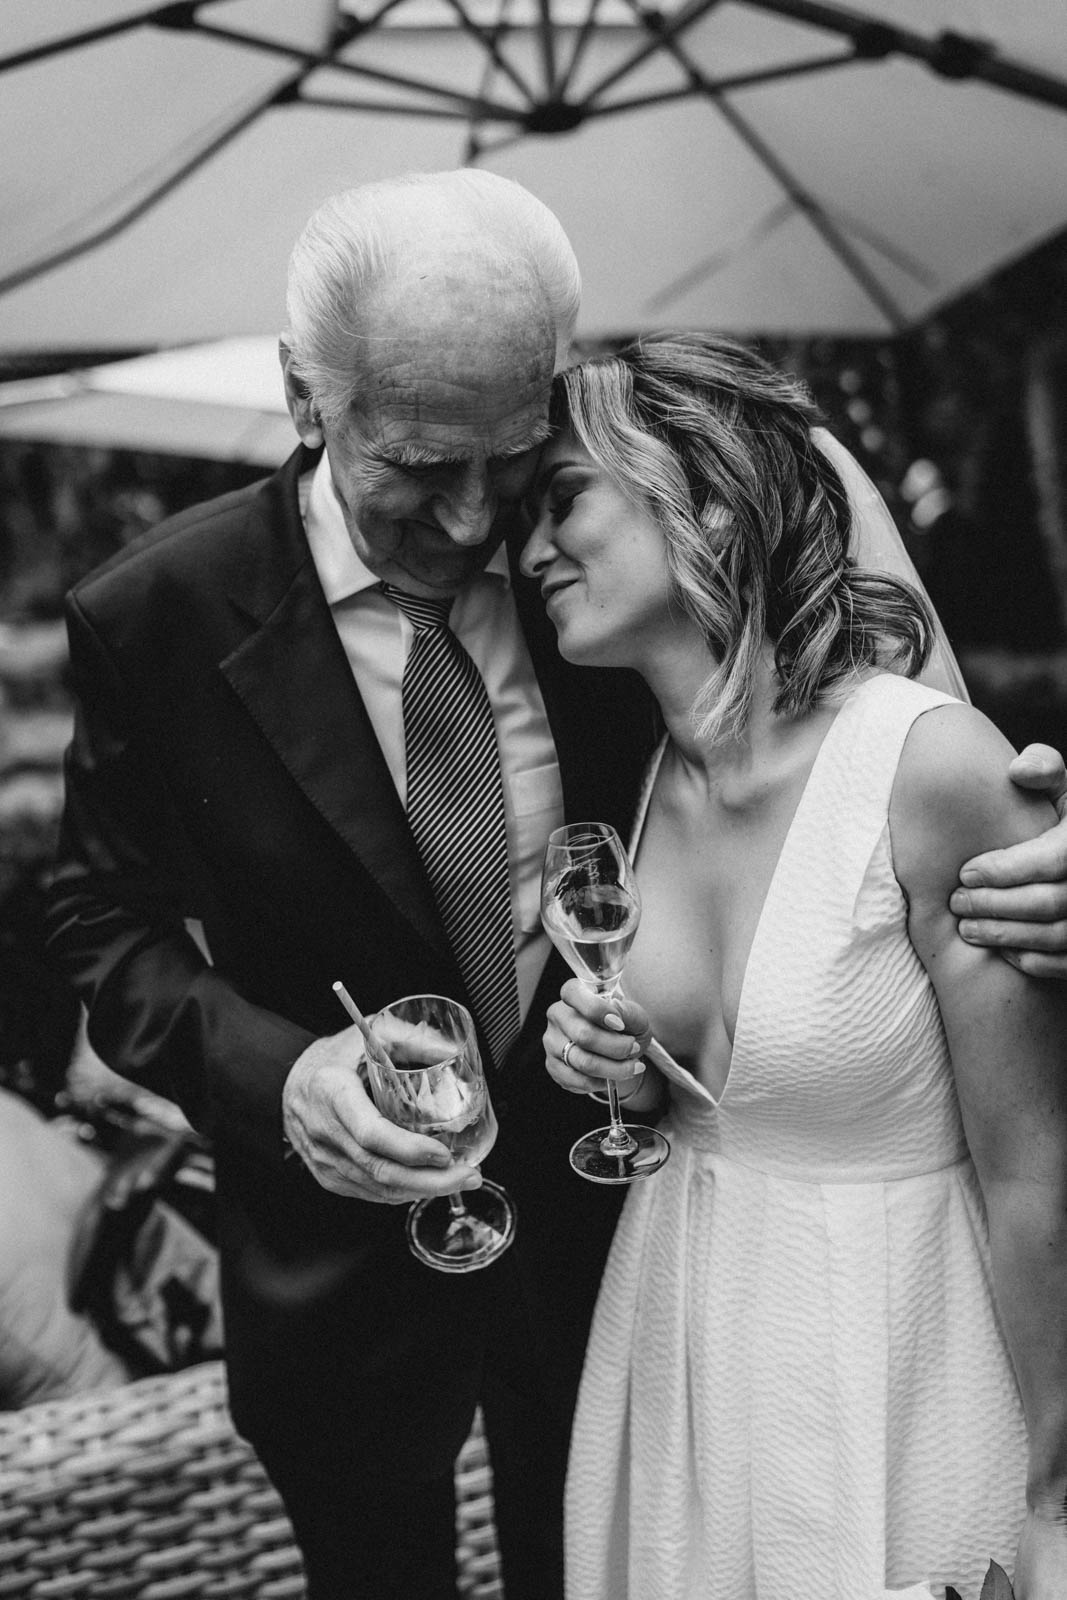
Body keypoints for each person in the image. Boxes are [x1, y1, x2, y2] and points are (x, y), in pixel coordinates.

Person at [41, 171, 1067, 1599]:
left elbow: (843, 758)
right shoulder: (151, 614)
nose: (476, 522)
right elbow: (97, 919)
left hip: (629, 1257)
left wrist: (1035, 840)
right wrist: (283, 1078)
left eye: (511, 463)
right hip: (342, 1284)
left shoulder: (609, 567)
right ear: (303, 397)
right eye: (420, 465)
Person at [521, 333, 1067, 1600]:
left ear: (706, 501)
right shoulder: (646, 779)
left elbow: (1034, 1174)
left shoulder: (929, 770)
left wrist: (1056, 1491)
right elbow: (712, 1089)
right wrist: (622, 1070)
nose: (531, 548)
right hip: (684, 1354)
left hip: (893, 1359)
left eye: (563, 501)